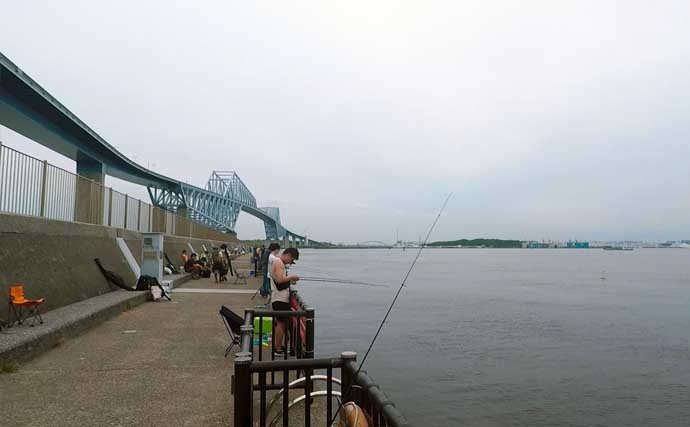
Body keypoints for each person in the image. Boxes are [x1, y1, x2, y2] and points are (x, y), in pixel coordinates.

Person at [271, 247, 300, 354]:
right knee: (281, 324)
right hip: (280, 299)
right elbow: (279, 280)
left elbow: (281, 279)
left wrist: (289, 280)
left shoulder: (278, 262)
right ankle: (277, 349)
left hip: (279, 298)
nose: (291, 263)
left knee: (281, 323)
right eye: (292, 260)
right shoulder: (278, 262)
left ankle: (278, 347)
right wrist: (292, 277)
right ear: (288, 255)